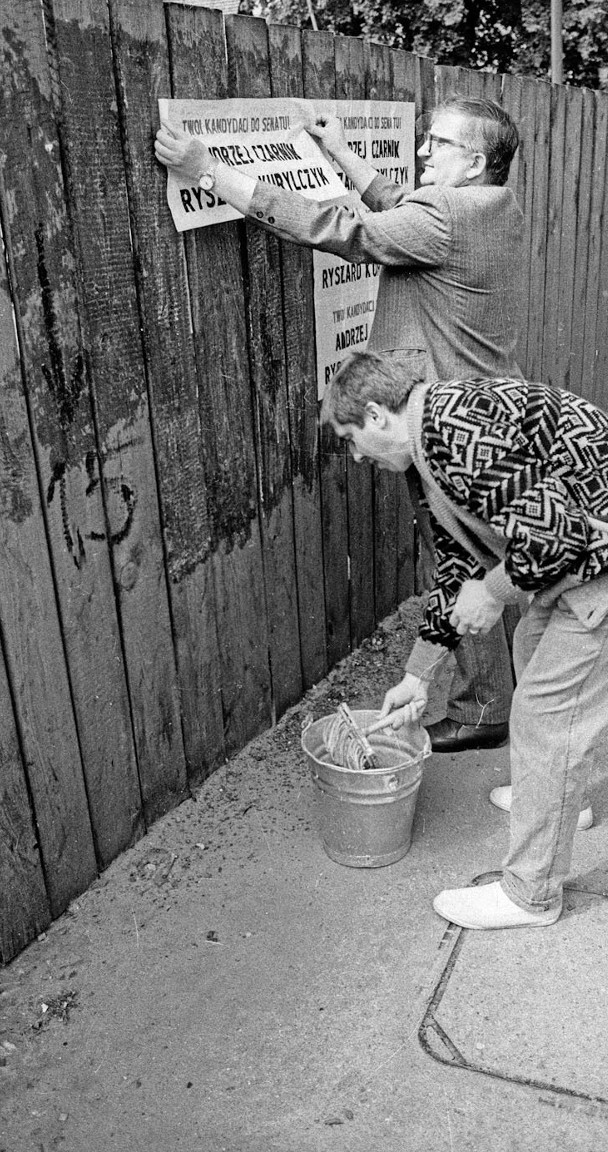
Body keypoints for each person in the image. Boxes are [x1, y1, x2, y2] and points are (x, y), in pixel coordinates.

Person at [155, 96, 524, 753]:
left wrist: (208, 169)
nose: (421, 151)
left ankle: (486, 709)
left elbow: (339, 229)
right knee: (478, 555)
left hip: (442, 427)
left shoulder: (443, 214)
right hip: (484, 411)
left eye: (436, 144)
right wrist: (342, 153)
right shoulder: (493, 204)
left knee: (464, 560)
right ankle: (490, 699)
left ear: (471, 161)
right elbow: (402, 208)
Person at [319, 351, 608, 931]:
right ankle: (554, 802)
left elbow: (552, 535)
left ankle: (530, 893)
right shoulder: (425, 456)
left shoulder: (456, 425)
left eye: (350, 439)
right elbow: (457, 565)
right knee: (533, 649)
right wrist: (417, 675)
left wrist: (495, 590)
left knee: (550, 710)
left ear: (376, 416)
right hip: (601, 545)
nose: (356, 456)